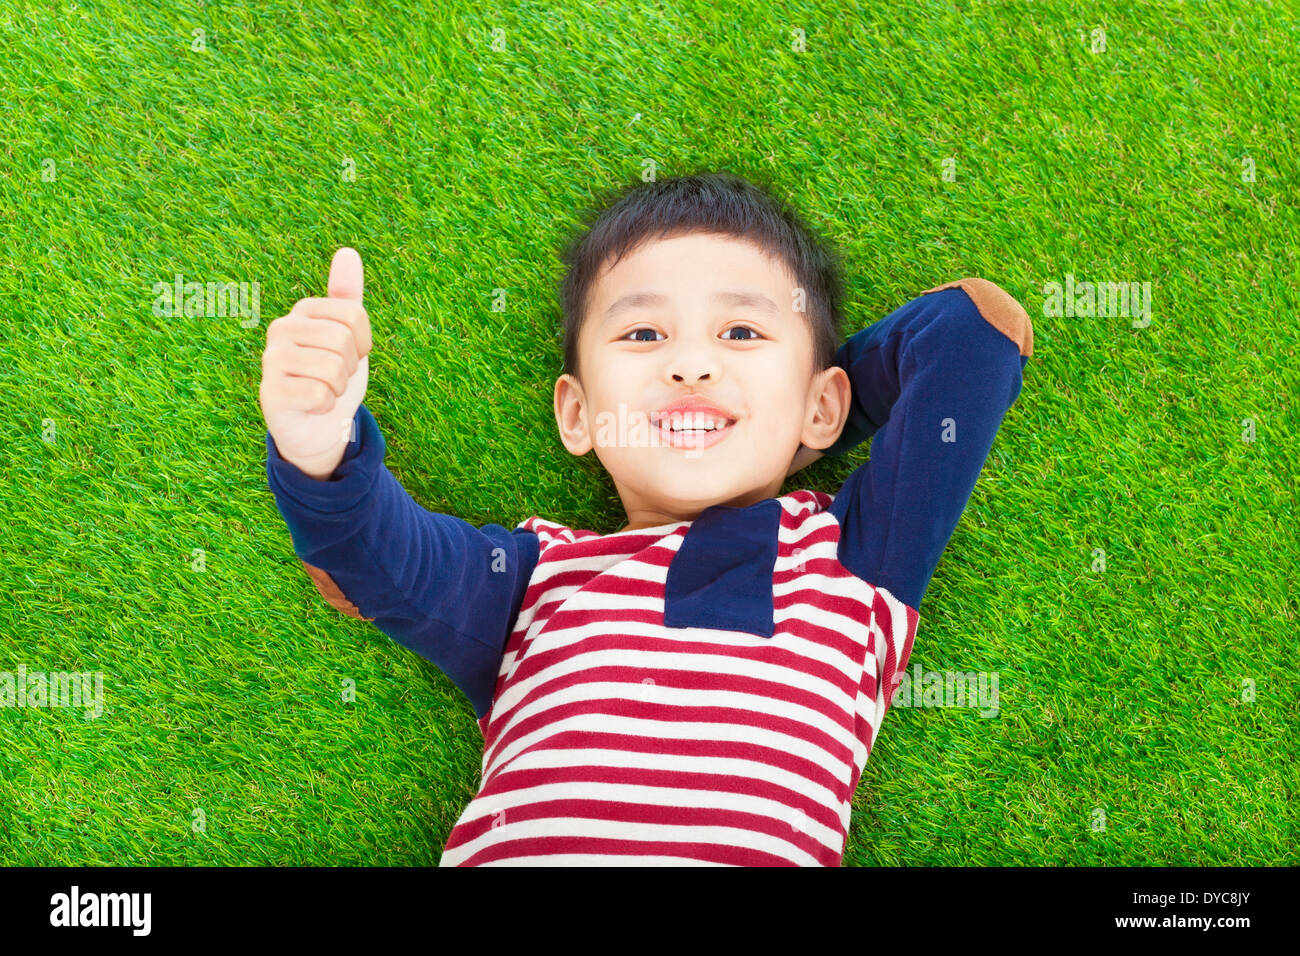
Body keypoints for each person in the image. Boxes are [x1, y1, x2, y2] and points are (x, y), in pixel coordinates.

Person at [260, 171, 1033, 865]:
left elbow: (971, 337)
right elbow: (378, 560)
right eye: (642, 334)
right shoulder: (530, 580)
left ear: (828, 403)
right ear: (579, 415)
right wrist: (318, 438)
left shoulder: (856, 558)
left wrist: (793, 425)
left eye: (741, 332)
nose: (691, 365)